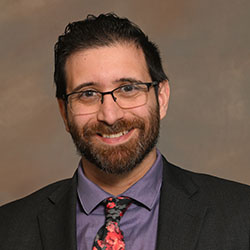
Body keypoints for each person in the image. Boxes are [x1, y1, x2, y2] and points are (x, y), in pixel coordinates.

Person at [1, 13, 250, 250]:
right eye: (87, 94)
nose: (110, 116)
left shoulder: (241, 214)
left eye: (128, 88)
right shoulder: (8, 229)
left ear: (161, 98)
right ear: (64, 111)